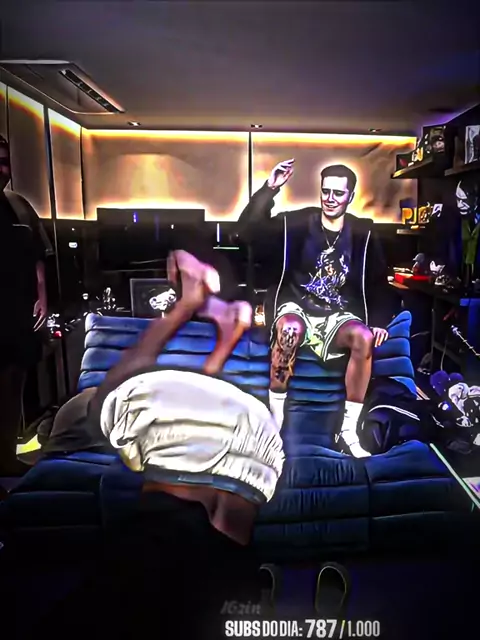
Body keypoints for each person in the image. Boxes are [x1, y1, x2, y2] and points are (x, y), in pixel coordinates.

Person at [26, 250, 284, 639]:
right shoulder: (130, 417)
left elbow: (178, 421)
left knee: (173, 554)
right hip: (242, 468)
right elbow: (192, 419)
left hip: (195, 515)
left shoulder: (76, 422)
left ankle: (248, 595)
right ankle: (249, 596)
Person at [237, 159, 394, 457]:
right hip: (296, 307)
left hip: (338, 315)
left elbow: (378, 281)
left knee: (363, 337)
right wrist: (270, 188)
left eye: (338, 193)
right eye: (326, 191)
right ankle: (275, 423)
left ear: (350, 196)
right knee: (289, 330)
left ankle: (348, 430)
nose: (330, 199)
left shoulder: (363, 233)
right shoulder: (295, 224)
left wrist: (379, 320)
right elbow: (246, 231)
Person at [0, 135, 51, 477]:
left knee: (11, 390)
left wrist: (42, 296)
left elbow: (38, 257)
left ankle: (5, 457)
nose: (1, 169)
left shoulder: (18, 205)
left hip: (18, 319)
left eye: (4, 161)